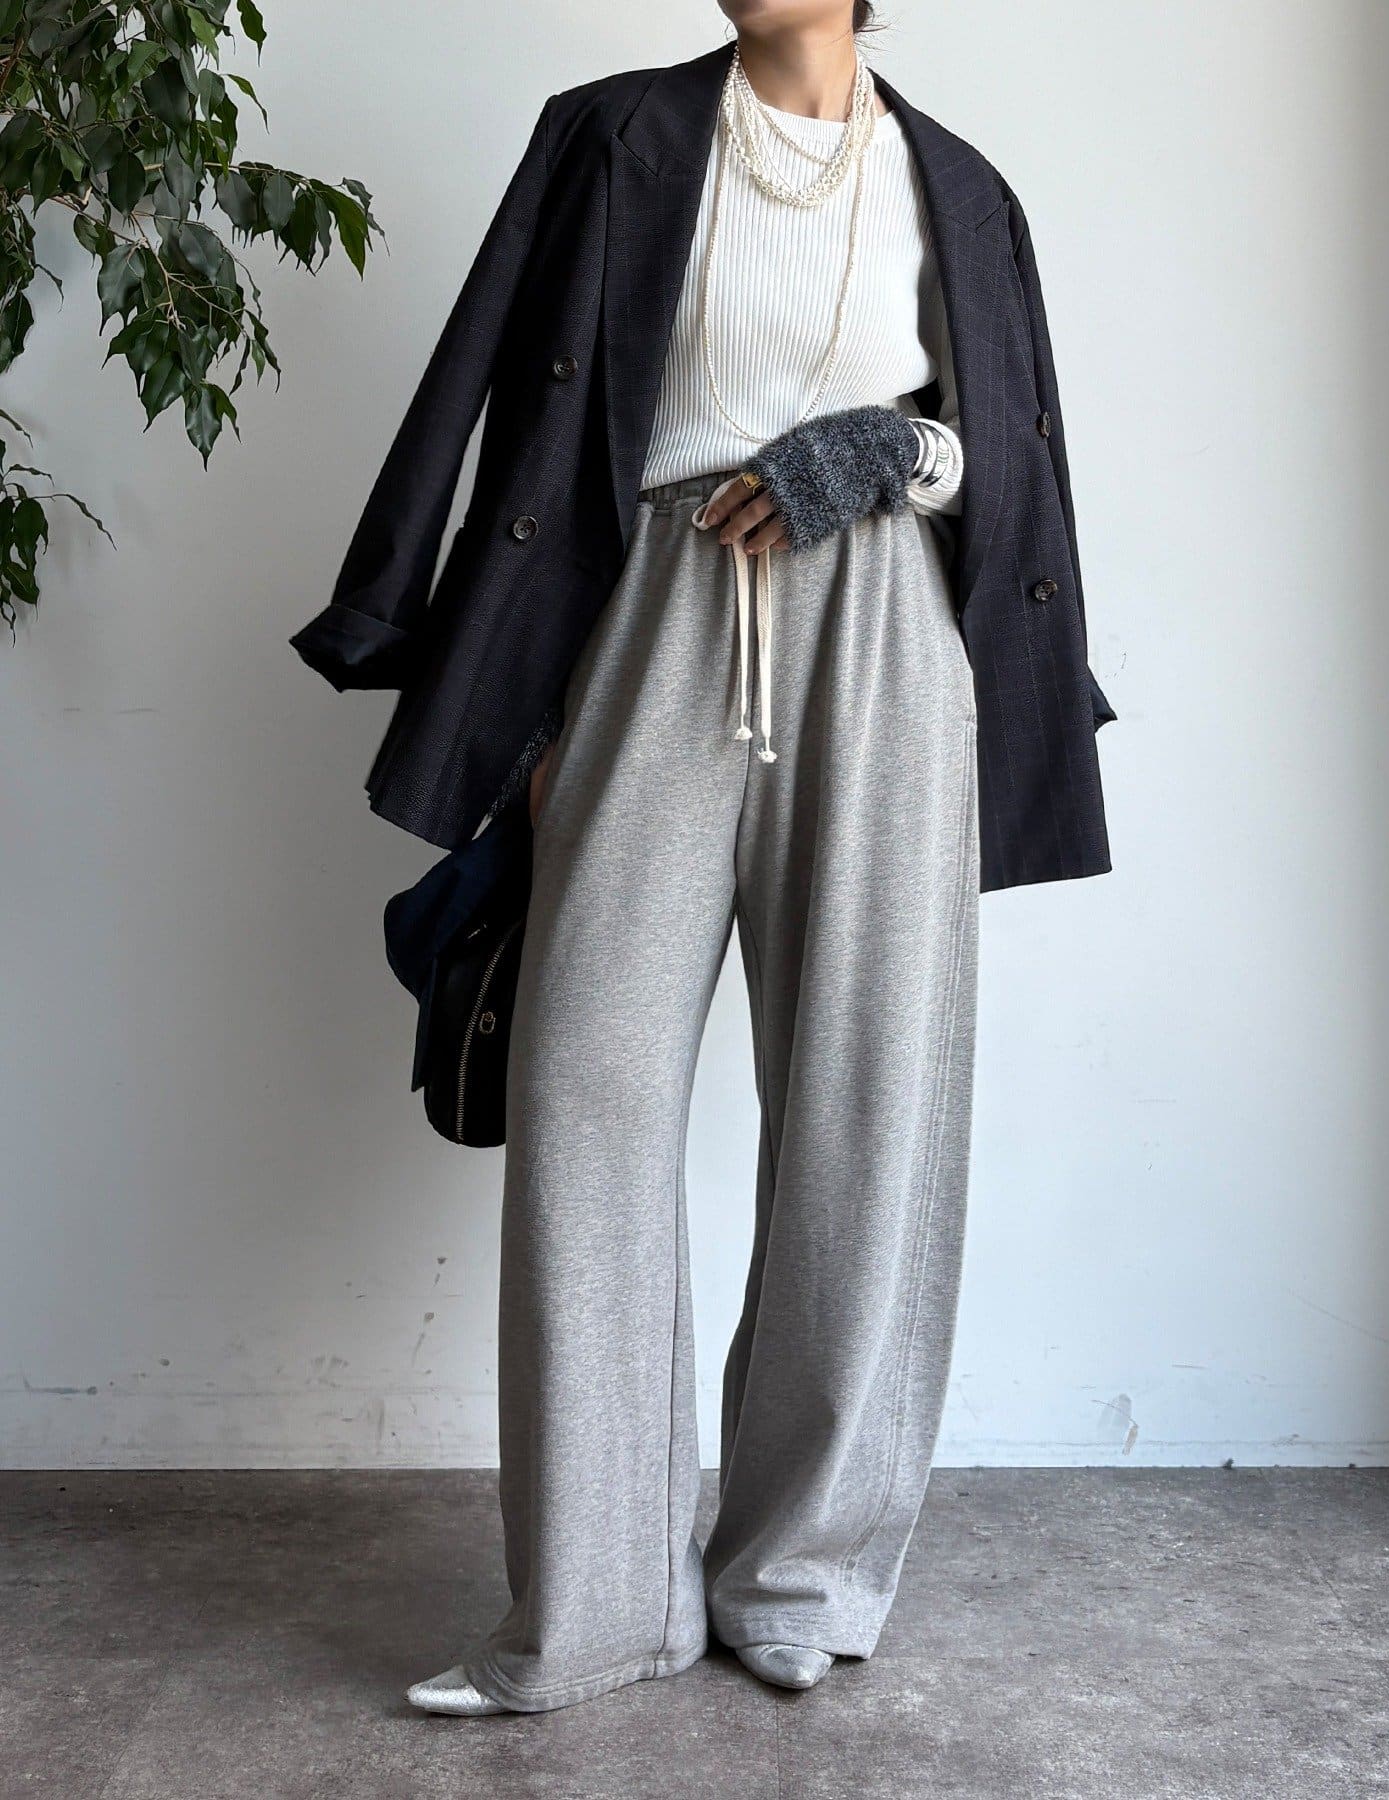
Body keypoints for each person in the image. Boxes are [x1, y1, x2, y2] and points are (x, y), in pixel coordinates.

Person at [291, 0, 1115, 1716]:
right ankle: (599, 1607)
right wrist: (464, 664)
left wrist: (889, 448)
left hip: (885, 632)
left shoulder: (958, 186)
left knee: (868, 1107)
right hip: (653, 616)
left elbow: (1003, 449)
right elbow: (484, 378)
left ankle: (800, 1572)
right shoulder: (615, 134)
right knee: (583, 1090)